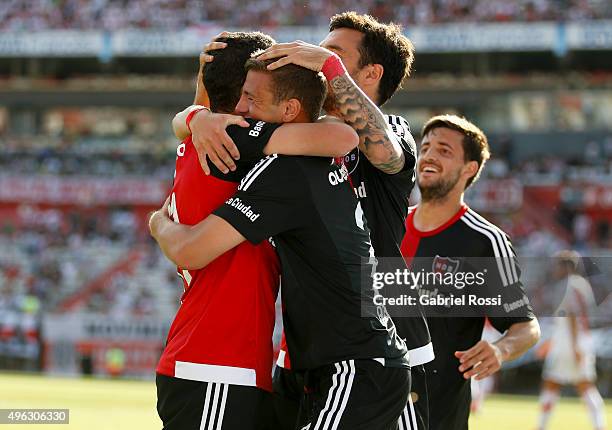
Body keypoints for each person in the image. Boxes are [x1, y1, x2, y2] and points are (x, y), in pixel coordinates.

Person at [185, 12, 432, 429]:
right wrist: (198, 110)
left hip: (387, 344)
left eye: (332, 51)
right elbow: (215, 130)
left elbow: (383, 152)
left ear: (370, 73)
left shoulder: (391, 130)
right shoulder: (295, 137)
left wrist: (330, 69)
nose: (314, 54)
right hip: (313, 348)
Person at [156, 31, 362, 430]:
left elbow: (190, 114)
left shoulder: (202, 140)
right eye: (250, 93)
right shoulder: (234, 142)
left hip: (209, 358)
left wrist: (196, 111)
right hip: (217, 365)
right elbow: (341, 137)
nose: (247, 104)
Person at [399, 114, 541, 430]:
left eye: (444, 150)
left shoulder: (485, 241)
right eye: (426, 148)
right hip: (372, 406)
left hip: (435, 414)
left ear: (469, 169)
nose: (430, 156)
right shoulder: (387, 227)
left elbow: (526, 326)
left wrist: (500, 350)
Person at [537, 250, 606, 430]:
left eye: (558, 265)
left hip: (569, 342)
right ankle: (599, 425)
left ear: (566, 267)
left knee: (554, 383)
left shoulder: (568, 285)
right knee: (584, 385)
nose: (555, 269)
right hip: (575, 340)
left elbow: (572, 316)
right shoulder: (582, 285)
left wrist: (574, 345)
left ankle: (541, 426)